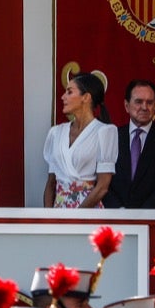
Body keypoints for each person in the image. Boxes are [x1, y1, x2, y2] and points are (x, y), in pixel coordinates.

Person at [42, 70, 116, 209]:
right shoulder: (55, 133)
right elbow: (51, 183)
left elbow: (102, 187)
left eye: (69, 92)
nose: (63, 97)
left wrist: (77, 216)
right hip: (59, 211)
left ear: (86, 97)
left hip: (87, 211)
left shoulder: (104, 132)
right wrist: (49, 217)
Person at [105, 78, 155, 209]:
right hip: (118, 217)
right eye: (138, 102)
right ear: (126, 106)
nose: (144, 107)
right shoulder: (111, 136)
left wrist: (143, 214)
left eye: (150, 102)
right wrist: (120, 210)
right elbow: (102, 182)